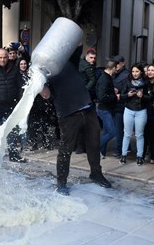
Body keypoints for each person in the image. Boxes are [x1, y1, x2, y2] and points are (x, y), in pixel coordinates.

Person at [40, 46, 111, 196]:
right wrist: (39, 81)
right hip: (68, 113)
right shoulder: (44, 71)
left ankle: (96, 173)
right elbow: (46, 95)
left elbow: (74, 44)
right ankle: (61, 182)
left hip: (87, 108)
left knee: (94, 144)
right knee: (66, 149)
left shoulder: (68, 62)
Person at [119, 63, 150, 166]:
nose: (135, 73)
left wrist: (142, 96)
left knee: (139, 135)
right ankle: (123, 156)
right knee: (127, 134)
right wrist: (128, 95)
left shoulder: (146, 83)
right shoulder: (127, 81)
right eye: (133, 71)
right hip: (128, 110)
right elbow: (122, 96)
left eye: (137, 71)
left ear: (141, 71)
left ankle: (139, 157)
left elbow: (150, 98)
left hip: (141, 111)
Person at [96, 60, 118, 159]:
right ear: (113, 68)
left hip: (106, 109)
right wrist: (115, 96)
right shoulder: (104, 79)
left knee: (106, 131)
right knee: (112, 132)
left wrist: (112, 92)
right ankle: (95, 148)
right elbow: (102, 97)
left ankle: (101, 153)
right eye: (116, 68)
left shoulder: (107, 78)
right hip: (104, 109)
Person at [113, 55, 130, 157]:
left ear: (122, 63)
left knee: (119, 129)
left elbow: (126, 91)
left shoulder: (125, 75)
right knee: (120, 129)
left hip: (121, 106)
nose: (116, 65)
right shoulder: (116, 74)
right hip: (116, 105)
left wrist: (118, 92)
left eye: (117, 63)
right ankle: (126, 148)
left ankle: (118, 150)